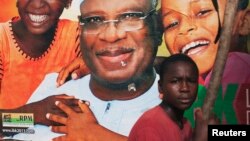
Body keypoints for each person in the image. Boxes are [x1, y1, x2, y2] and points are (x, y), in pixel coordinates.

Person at [2, 0, 163, 140]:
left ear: (157, 26)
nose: (111, 35)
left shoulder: (178, 104)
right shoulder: (54, 87)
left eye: (129, 16)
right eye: (95, 20)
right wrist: (31, 115)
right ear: (82, 31)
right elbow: (12, 129)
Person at [161, 0, 250, 124]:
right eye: (172, 24)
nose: (185, 28)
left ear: (244, 22)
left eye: (203, 12)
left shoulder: (235, 66)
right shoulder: (195, 81)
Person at [0, 0, 89, 109]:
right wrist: (34, 114)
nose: (38, 4)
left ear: (66, 2)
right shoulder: (2, 40)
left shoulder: (78, 34)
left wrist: (94, 66)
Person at [128, 54, 198, 141]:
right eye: (175, 81)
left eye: (191, 81)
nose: (185, 88)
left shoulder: (186, 125)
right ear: (160, 87)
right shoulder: (151, 126)